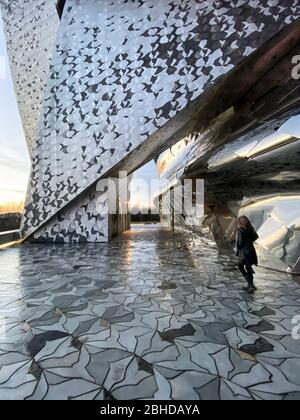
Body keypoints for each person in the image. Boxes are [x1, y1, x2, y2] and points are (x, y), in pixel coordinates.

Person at [236, 216, 259, 294]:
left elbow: (240, 242)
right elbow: (256, 236)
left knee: (240, 266)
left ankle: (250, 285)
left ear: (240, 222)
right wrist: (249, 242)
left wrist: (239, 247)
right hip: (251, 250)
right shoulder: (250, 228)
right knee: (249, 268)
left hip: (244, 252)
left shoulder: (240, 230)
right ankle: (251, 285)